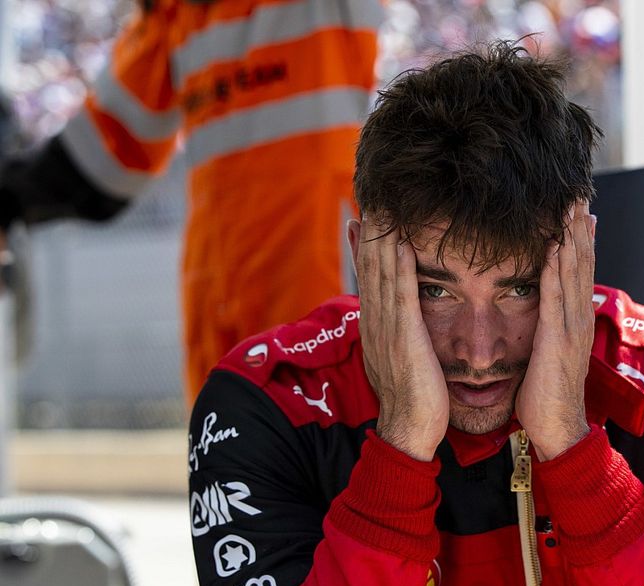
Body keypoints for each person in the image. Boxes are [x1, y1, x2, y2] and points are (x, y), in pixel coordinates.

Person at [188, 40, 644, 586]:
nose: (478, 351)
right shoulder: (268, 401)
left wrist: (572, 445)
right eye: (435, 290)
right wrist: (399, 447)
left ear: (581, 252)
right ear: (365, 255)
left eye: (519, 288)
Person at [0, 0, 382, 400]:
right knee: (220, 447)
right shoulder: (177, 14)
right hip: (217, 277)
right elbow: (105, 151)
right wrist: (11, 194)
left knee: (327, 438)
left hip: (314, 260)